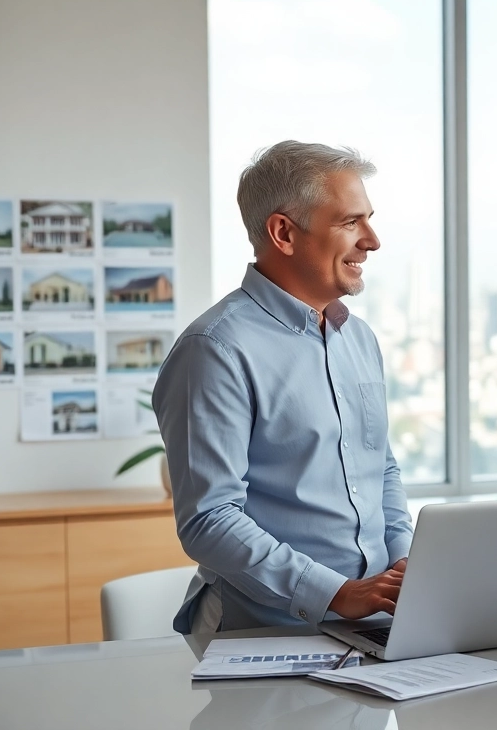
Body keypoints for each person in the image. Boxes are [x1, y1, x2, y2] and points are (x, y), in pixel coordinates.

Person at [155, 140, 413, 633]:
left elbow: (380, 468)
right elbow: (209, 519)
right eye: (350, 222)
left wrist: (404, 563)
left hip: (375, 625)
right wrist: (336, 593)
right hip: (263, 633)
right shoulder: (214, 349)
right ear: (284, 233)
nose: (372, 241)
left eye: (369, 220)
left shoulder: (358, 338)